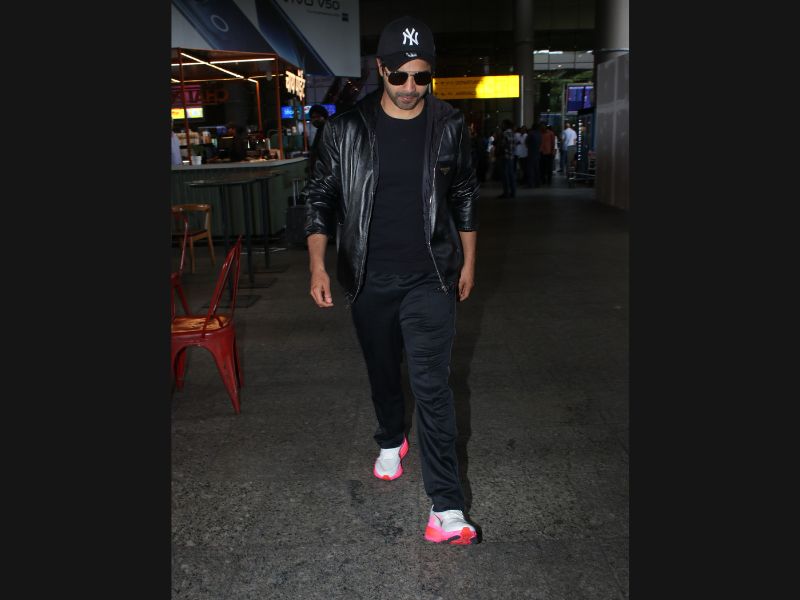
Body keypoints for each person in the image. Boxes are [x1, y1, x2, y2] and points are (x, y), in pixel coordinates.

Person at [304, 15, 479, 545]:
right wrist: (317, 264)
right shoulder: (345, 130)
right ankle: (389, 436)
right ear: (380, 69)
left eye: (421, 77)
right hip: (369, 277)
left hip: (431, 276)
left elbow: (464, 192)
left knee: (433, 387)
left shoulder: (449, 125)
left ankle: (446, 508)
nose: (409, 87)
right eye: (399, 75)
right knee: (383, 370)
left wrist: (469, 261)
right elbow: (320, 198)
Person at [307, 104, 329, 175]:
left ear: (324, 117)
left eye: (318, 116)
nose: (315, 119)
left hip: (324, 173)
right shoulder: (320, 130)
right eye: (313, 117)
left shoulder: (328, 130)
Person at [497, 119, 515, 198]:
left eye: (502, 124)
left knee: (505, 175)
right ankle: (513, 192)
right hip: (511, 156)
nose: (501, 126)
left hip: (505, 156)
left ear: (505, 125)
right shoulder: (512, 133)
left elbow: (502, 145)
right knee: (511, 175)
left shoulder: (504, 134)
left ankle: (506, 193)